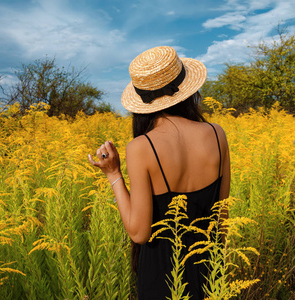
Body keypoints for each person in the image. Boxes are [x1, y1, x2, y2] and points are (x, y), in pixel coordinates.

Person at [88, 46, 230, 299]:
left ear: (141, 103)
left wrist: (113, 174)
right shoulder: (218, 134)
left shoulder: (141, 147)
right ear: (188, 89)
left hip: (162, 276)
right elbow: (222, 216)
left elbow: (139, 233)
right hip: (209, 266)